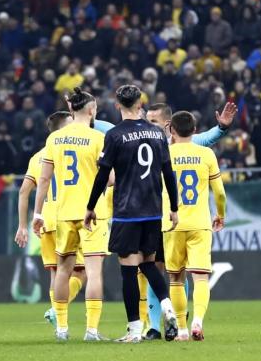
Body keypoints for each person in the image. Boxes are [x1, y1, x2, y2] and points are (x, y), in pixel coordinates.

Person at [85, 85, 179, 343]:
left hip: (128, 211)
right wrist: (174, 208)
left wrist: (91, 206)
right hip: (152, 210)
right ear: (140, 104)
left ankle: (134, 330)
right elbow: (168, 172)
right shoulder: (158, 134)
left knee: (128, 271)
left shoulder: (114, 135)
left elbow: (103, 174)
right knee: (148, 264)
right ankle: (168, 307)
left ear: (118, 106)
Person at [32, 88, 110, 342]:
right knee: (94, 272)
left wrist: (37, 213)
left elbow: (43, 179)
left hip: (64, 212)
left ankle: (62, 329)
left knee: (63, 270)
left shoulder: (55, 139)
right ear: (90, 111)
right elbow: (109, 179)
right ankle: (91, 331)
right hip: (92, 213)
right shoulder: (98, 138)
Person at [14, 111, 86, 327]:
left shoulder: (37, 157)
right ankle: (57, 310)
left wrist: (22, 226)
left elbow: (23, 192)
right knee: (81, 272)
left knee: (56, 271)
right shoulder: (76, 150)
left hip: (46, 221)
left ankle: (59, 322)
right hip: (68, 215)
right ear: (63, 128)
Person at [166, 111, 226, 341]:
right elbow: (219, 192)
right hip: (200, 223)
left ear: (171, 129)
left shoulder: (164, 153)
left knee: (176, 279)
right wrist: (220, 214)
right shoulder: (206, 153)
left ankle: (181, 329)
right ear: (194, 130)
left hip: (172, 224)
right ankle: (198, 322)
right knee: (200, 278)